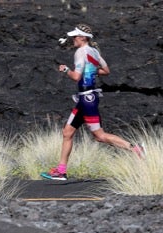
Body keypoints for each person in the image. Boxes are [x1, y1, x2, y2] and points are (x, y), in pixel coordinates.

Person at [41, 24, 145, 181]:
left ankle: (135, 149)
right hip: (85, 99)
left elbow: (76, 76)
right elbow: (106, 71)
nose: (73, 39)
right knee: (67, 132)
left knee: (99, 136)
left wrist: (65, 70)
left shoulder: (80, 52)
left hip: (87, 99)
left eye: (75, 36)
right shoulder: (94, 52)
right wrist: (90, 70)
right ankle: (61, 171)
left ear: (83, 38)